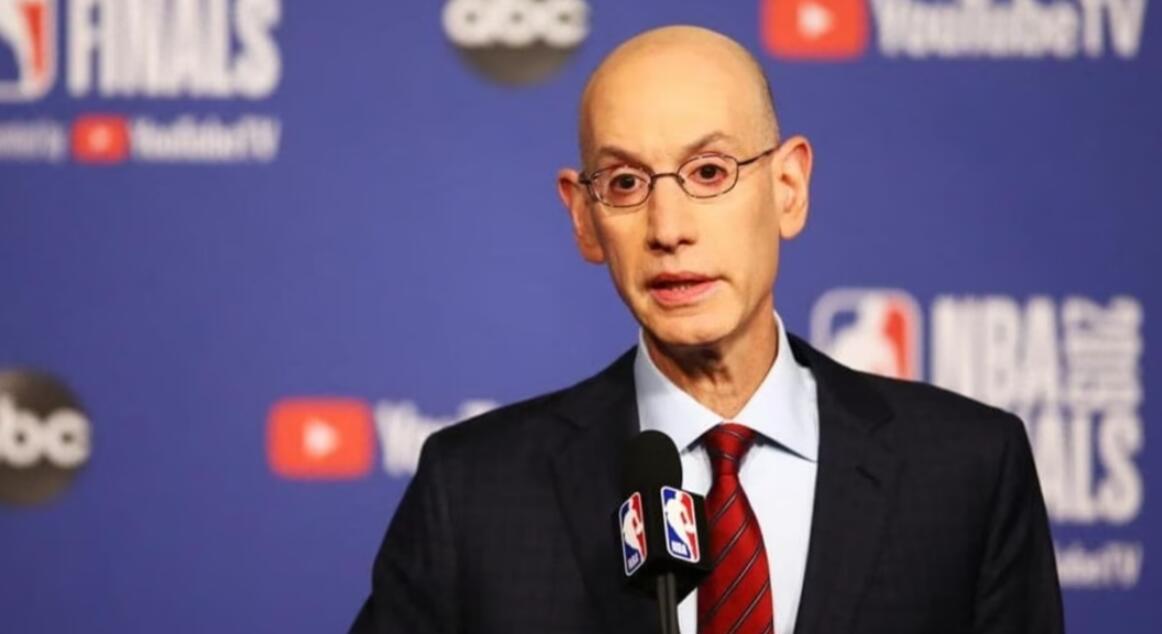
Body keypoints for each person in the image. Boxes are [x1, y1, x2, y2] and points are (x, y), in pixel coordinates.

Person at [351, 25, 1063, 634]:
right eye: (626, 183)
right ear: (584, 218)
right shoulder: (474, 492)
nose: (669, 229)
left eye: (710, 172)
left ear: (788, 188)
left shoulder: (965, 470)